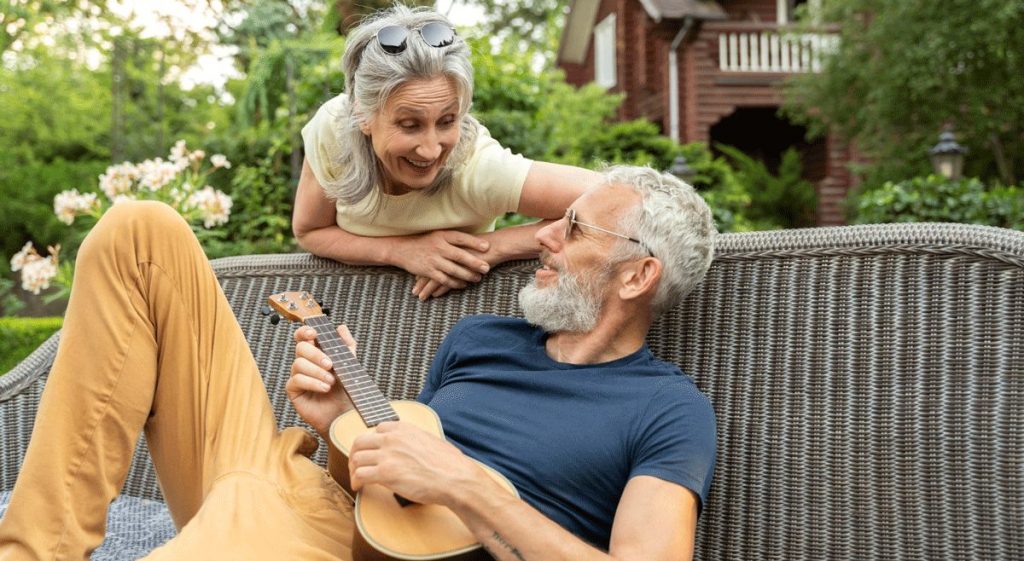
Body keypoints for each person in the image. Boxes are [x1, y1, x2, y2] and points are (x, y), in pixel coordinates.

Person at [0, 165, 716, 561]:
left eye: (574, 227)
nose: (544, 238)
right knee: (140, 231)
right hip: (305, 496)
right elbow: (389, 503)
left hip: (304, 539)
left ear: (636, 277)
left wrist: (474, 487)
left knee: (253, 505)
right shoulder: (482, 338)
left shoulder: (667, 409)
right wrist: (342, 422)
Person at [293, 5, 600, 301]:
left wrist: (493, 246)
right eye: (410, 125)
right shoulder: (333, 128)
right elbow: (310, 230)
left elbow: (625, 202)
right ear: (362, 114)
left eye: (447, 121)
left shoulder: (478, 167)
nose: (430, 150)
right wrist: (400, 251)